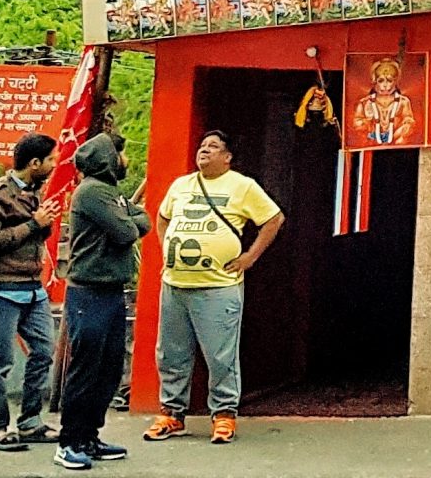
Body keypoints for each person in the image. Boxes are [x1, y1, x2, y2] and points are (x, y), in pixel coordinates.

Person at [145, 131, 284, 446]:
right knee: (171, 353)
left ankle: (224, 415)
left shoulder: (242, 186)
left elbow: (273, 219)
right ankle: (171, 413)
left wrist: (250, 256)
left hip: (219, 286)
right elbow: (162, 218)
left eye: (213, 147)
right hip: (175, 283)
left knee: (221, 355)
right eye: (202, 146)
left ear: (228, 157)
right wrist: (167, 248)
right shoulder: (181, 185)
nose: (204, 150)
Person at [59, 133, 149, 472]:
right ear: (108, 159)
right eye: (121, 154)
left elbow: (141, 218)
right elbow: (128, 231)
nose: (126, 160)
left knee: (108, 369)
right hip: (89, 292)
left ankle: (90, 437)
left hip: (111, 291)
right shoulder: (93, 192)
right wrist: (130, 221)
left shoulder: (110, 193)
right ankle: (70, 441)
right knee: (86, 369)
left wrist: (130, 220)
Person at [0, 133, 63, 451]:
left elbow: (37, 232)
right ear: (34, 163)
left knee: (43, 351)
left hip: (32, 287)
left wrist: (45, 222)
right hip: (2, 287)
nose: (55, 165)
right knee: (0, 360)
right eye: (51, 159)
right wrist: (34, 224)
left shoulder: (36, 193)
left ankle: (30, 421)